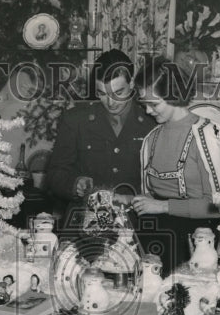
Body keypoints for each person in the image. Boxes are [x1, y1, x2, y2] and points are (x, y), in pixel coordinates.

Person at [130, 56, 220, 273]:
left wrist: (162, 206)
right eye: (144, 104)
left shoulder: (207, 135)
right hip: (156, 233)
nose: (148, 111)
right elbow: (149, 198)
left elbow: (218, 206)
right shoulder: (151, 139)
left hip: (194, 239)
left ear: (174, 94)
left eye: (154, 104)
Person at [45, 49, 153, 214]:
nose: (110, 102)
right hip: (84, 220)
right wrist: (75, 184)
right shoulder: (75, 120)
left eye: (118, 93)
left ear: (131, 84)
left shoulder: (150, 122)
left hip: (135, 221)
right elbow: (54, 174)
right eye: (102, 93)